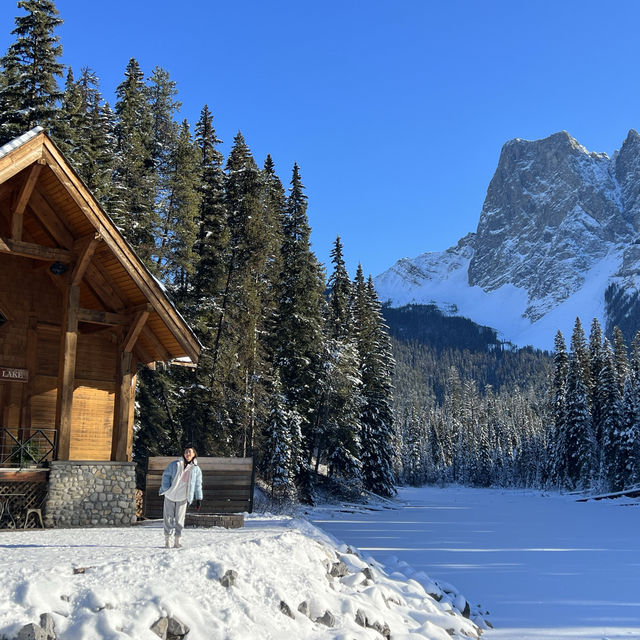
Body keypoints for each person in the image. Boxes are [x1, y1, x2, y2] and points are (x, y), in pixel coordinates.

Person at [159, 444, 203, 548]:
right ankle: (167, 540)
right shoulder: (175, 464)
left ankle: (177, 540)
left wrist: (199, 498)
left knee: (179, 520)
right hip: (170, 495)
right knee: (168, 519)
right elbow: (166, 475)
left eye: (190, 452)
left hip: (183, 497)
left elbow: (198, 484)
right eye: (186, 451)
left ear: (194, 454)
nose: (188, 453)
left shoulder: (196, 469)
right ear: (184, 453)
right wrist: (166, 488)